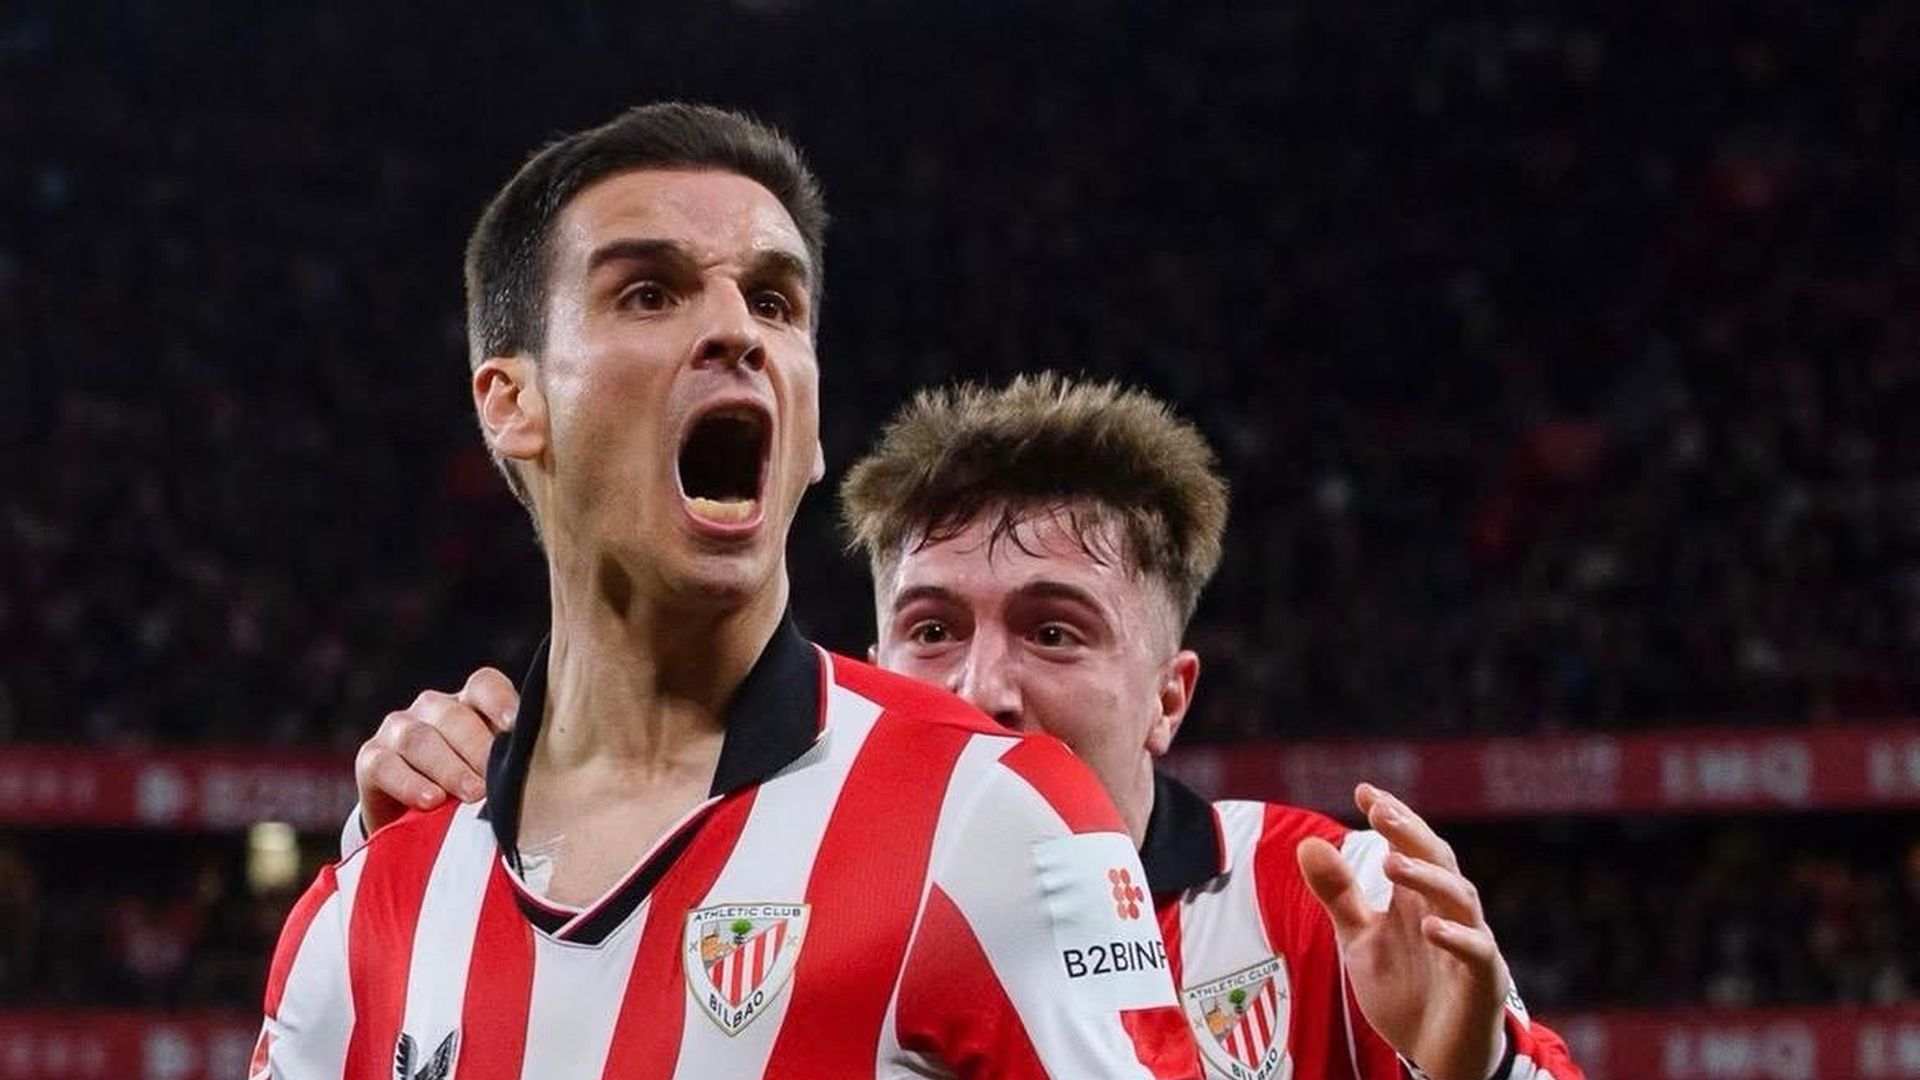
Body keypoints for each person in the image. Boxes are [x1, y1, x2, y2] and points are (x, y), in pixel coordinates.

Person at [255, 106, 1199, 1080]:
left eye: (774, 302)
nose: (736, 330)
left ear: (812, 428)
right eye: (649, 294)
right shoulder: (370, 904)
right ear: (513, 403)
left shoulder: (999, 818)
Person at [357, 374, 1588, 1080]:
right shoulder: (729, 883)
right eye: (934, 628)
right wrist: (428, 885)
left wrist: (1474, 1071)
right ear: (871, 659)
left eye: (1054, 631)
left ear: (1170, 697)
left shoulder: (1323, 906)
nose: (982, 688)